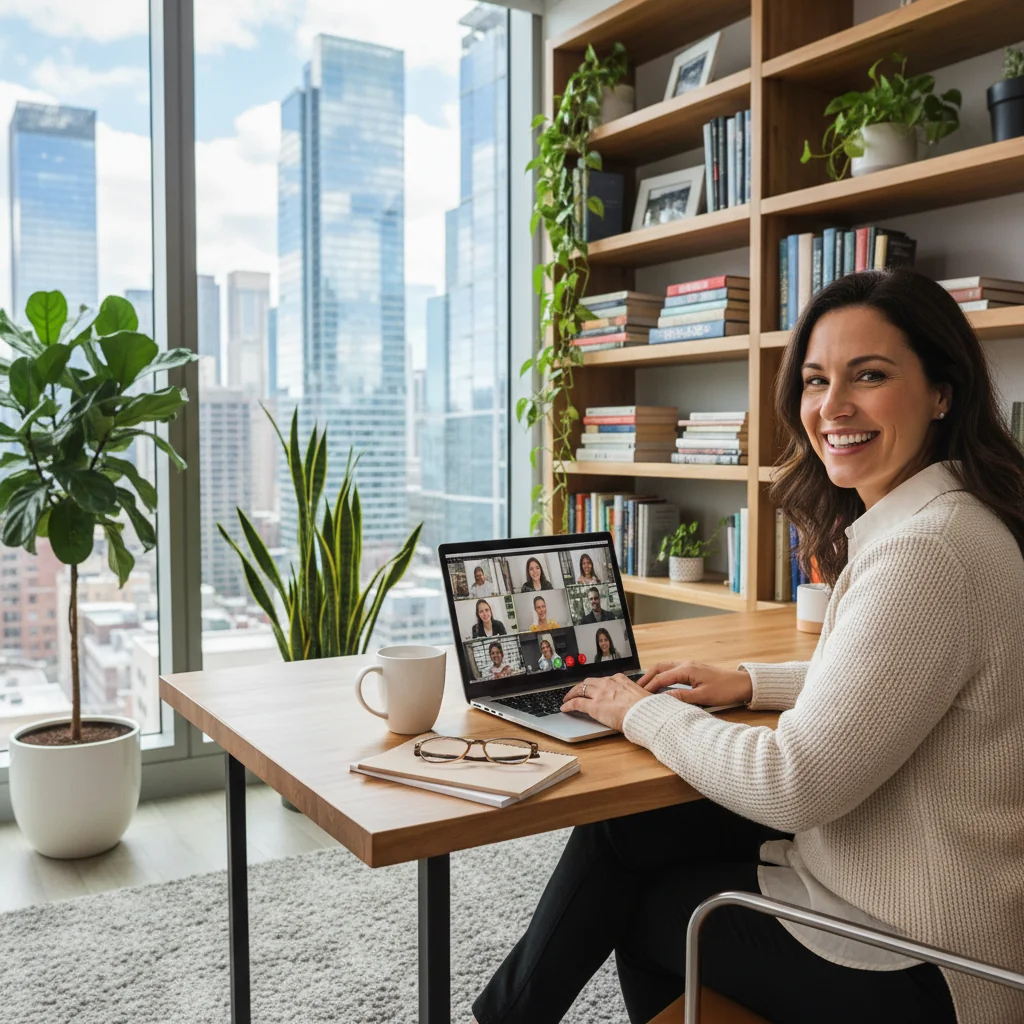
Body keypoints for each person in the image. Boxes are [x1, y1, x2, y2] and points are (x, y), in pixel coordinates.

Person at [472, 270, 1024, 1024]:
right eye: (816, 380)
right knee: (634, 827)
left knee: (642, 907)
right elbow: (896, 678)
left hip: (922, 960)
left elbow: (793, 783)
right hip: (924, 905)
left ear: (941, 392)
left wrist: (641, 712)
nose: (833, 407)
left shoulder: (928, 551)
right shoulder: (947, 520)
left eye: (870, 375)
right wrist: (749, 683)